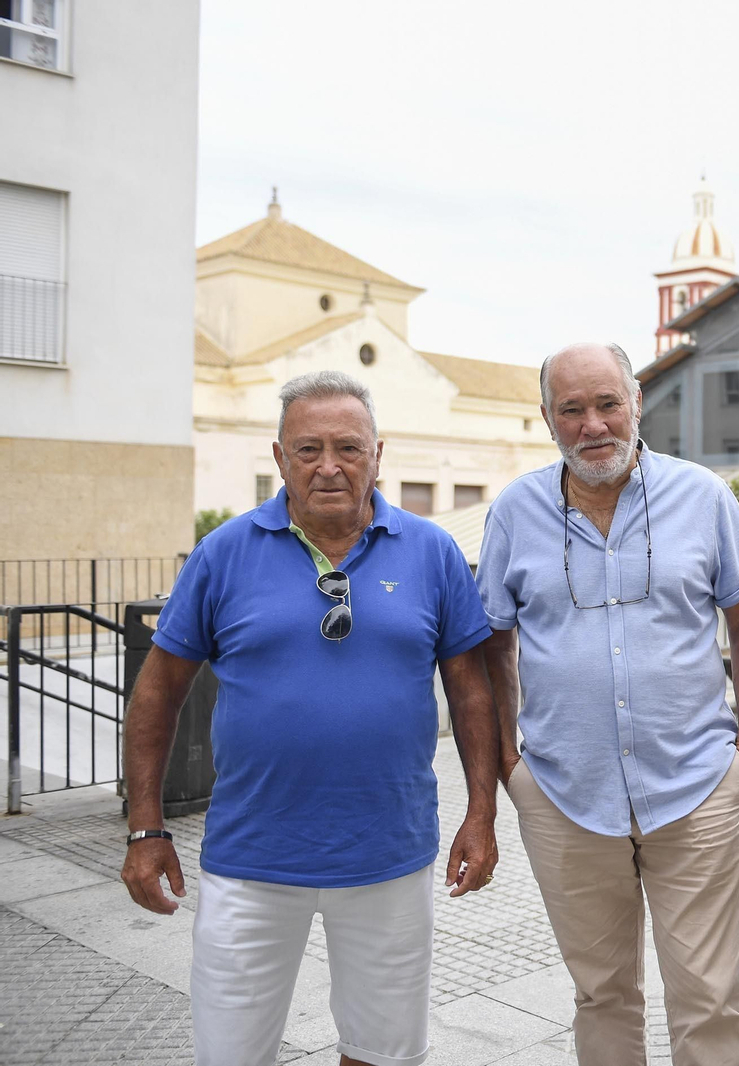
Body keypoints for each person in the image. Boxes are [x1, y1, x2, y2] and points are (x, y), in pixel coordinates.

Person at [120, 370, 500, 1066]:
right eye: (309, 449)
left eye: (348, 448)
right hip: (251, 861)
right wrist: (146, 829)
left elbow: (471, 692)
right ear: (279, 457)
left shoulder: (433, 552)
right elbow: (156, 695)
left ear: (377, 455)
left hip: (389, 856)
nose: (329, 466)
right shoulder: (223, 553)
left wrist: (482, 813)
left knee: (383, 1054)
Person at [478, 342, 739, 1066]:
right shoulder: (515, 511)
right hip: (564, 796)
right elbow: (492, 647)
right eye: (571, 409)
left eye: (608, 404)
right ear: (546, 417)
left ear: (636, 404)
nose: (593, 425)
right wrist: (512, 767)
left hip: (697, 789)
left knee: (709, 998)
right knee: (601, 995)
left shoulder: (702, 496)